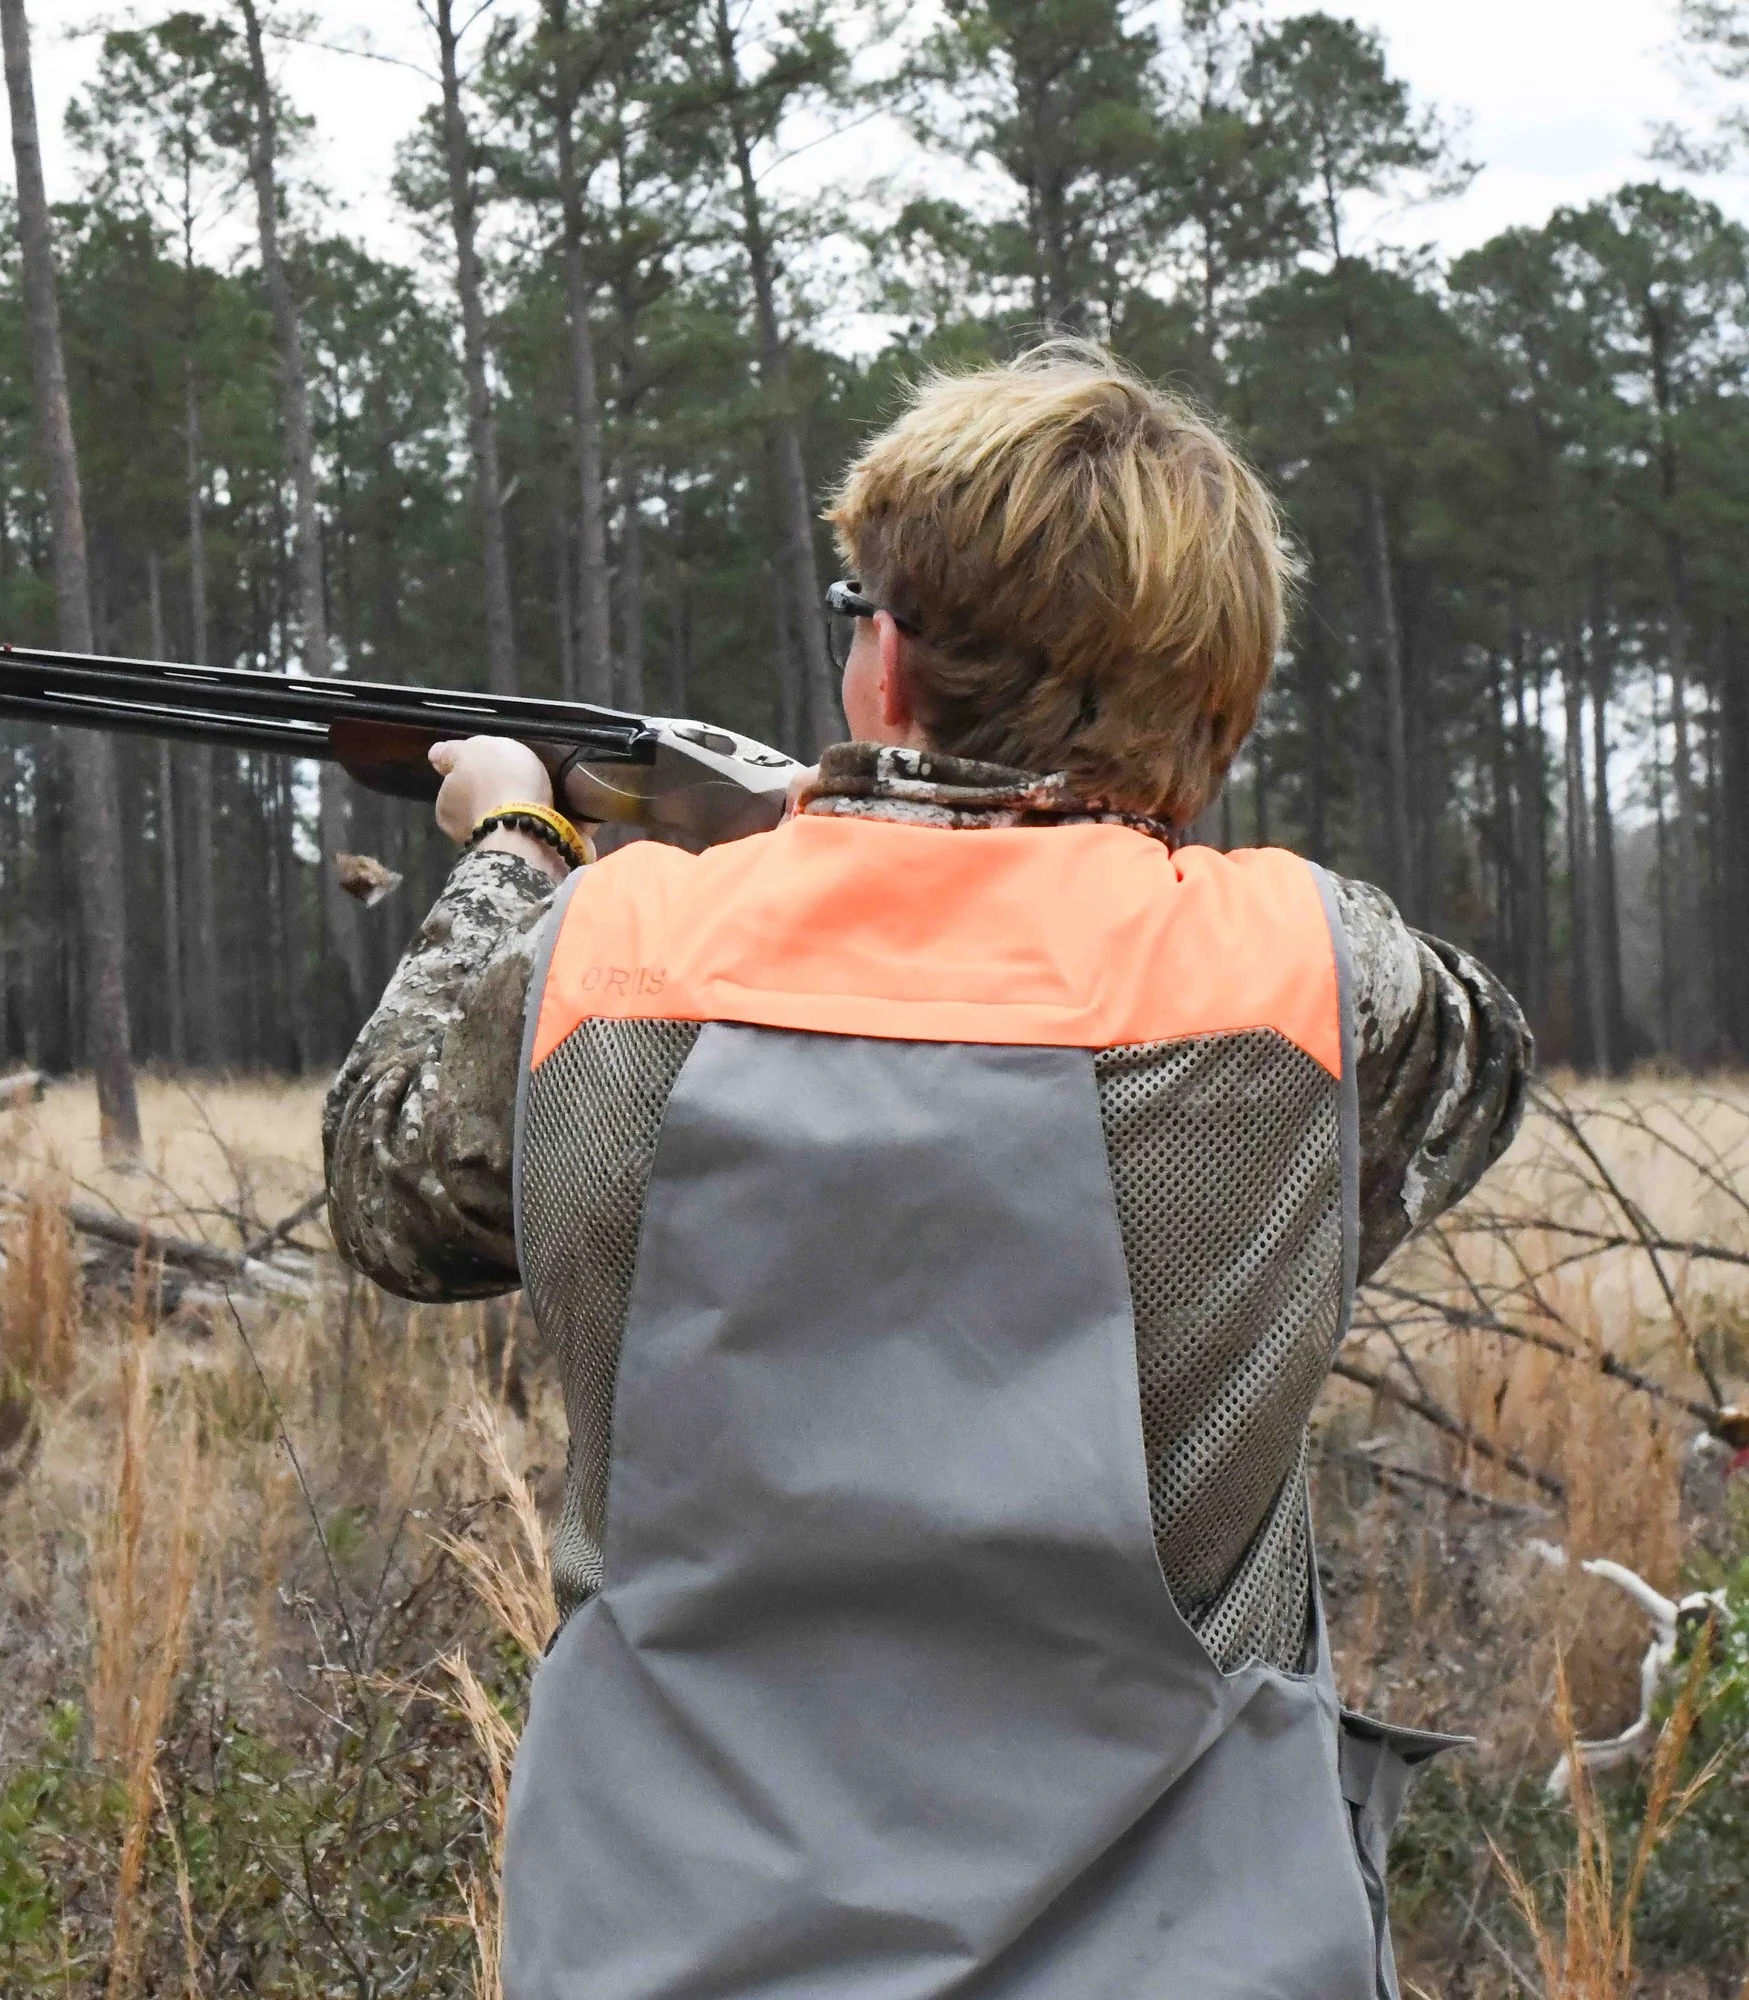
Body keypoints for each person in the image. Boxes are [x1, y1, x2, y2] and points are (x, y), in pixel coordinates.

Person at [323, 341, 1529, 2000]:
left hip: (666, 1948)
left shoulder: (614, 954)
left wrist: (526, 846)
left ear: (885, 663)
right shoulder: (1317, 988)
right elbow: (1479, 1059)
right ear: (1220, 710)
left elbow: (392, 1190)